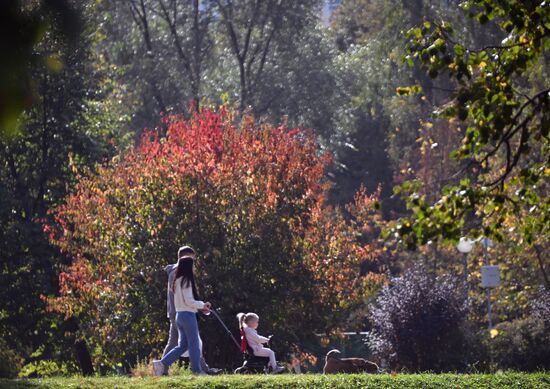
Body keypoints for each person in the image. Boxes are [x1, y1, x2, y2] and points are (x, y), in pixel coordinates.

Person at [161, 246, 219, 375]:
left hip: (180, 314)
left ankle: (163, 363)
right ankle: (197, 370)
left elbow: (181, 300)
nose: (194, 267)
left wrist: (198, 306)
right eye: (193, 262)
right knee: (193, 344)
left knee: (182, 345)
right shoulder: (186, 280)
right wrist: (202, 305)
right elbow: (189, 300)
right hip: (186, 315)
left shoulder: (176, 280)